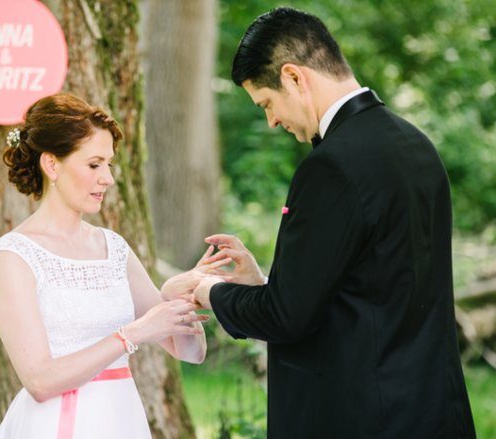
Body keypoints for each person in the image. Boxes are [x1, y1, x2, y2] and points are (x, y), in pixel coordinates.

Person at [191, 7, 476, 438]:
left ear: (293, 77)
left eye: (267, 103)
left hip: (360, 418)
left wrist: (207, 291)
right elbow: (373, 291)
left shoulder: (331, 167)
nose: (271, 121)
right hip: (433, 412)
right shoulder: (416, 146)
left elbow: (287, 318)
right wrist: (262, 284)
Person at [0, 93, 223, 438]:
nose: (108, 179)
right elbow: (38, 381)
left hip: (119, 420)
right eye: (94, 164)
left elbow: (192, 351)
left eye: (109, 164)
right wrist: (133, 334)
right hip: (57, 425)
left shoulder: (112, 248)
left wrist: (179, 298)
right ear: (52, 165)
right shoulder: (14, 257)